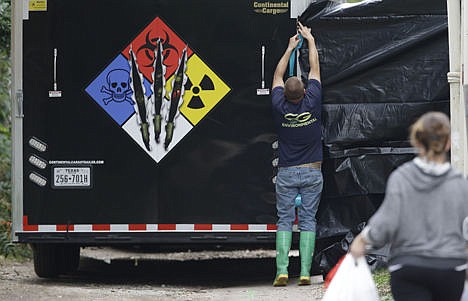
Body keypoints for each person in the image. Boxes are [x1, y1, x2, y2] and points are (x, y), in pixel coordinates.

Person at [350, 112, 468, 301]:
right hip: (450, 268)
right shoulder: (460, 184)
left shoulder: (402, 178)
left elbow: (386, 223)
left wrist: (363, 240)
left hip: (409, 266)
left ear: (417, 142)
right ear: (448, 144)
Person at [271, 21, 323, 286]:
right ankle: (304, 272)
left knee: (284, 220)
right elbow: (314, 68)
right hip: (313, 171)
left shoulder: (279, 105)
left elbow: (277, 77)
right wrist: (309, 40)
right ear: (304, 91)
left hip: (287, 172)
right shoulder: (312, 100)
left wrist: (290, 48)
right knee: (308, 221)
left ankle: (281, 270)